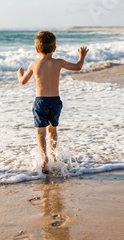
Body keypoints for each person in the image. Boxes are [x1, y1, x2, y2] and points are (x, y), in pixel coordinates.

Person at [17, 30, 89, 174]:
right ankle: (54, 155)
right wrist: (81, 56)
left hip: (40, 101)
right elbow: (77, 67)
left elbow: (22, 81)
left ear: (36, 49)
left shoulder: (34, 64)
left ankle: (44, 157)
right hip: (55, 102)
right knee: (52, 129)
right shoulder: (59, 62)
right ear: (54, 48)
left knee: (40, 131)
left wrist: (19, 73)